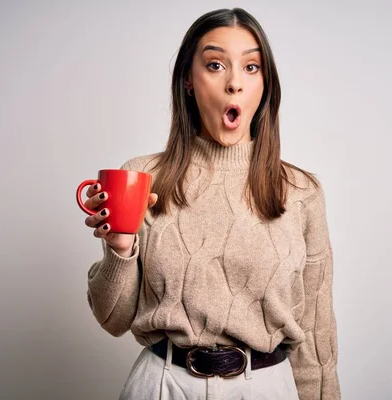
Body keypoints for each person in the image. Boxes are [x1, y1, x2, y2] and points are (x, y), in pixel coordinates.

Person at [82, 7, 341, 400]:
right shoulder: (141, 178)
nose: (235, 83)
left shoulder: (302, 192)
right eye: (216, 64)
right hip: (162, 385)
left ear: (265, 84)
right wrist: (120, 250)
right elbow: (113, 319)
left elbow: (316, 334)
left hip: (267, 388)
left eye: (251, 67)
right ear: (188, 79)